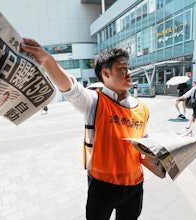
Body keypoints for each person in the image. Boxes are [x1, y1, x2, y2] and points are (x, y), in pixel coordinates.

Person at [21, 38, 150, 220]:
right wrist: (46, 60)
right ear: (106, 73)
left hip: (135, 184)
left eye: (128, 68)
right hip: (102, 185)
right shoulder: (94, 101)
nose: (129, 73)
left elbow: (142, 141)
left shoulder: (142, 108)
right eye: (122, 69)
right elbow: (70, 87)